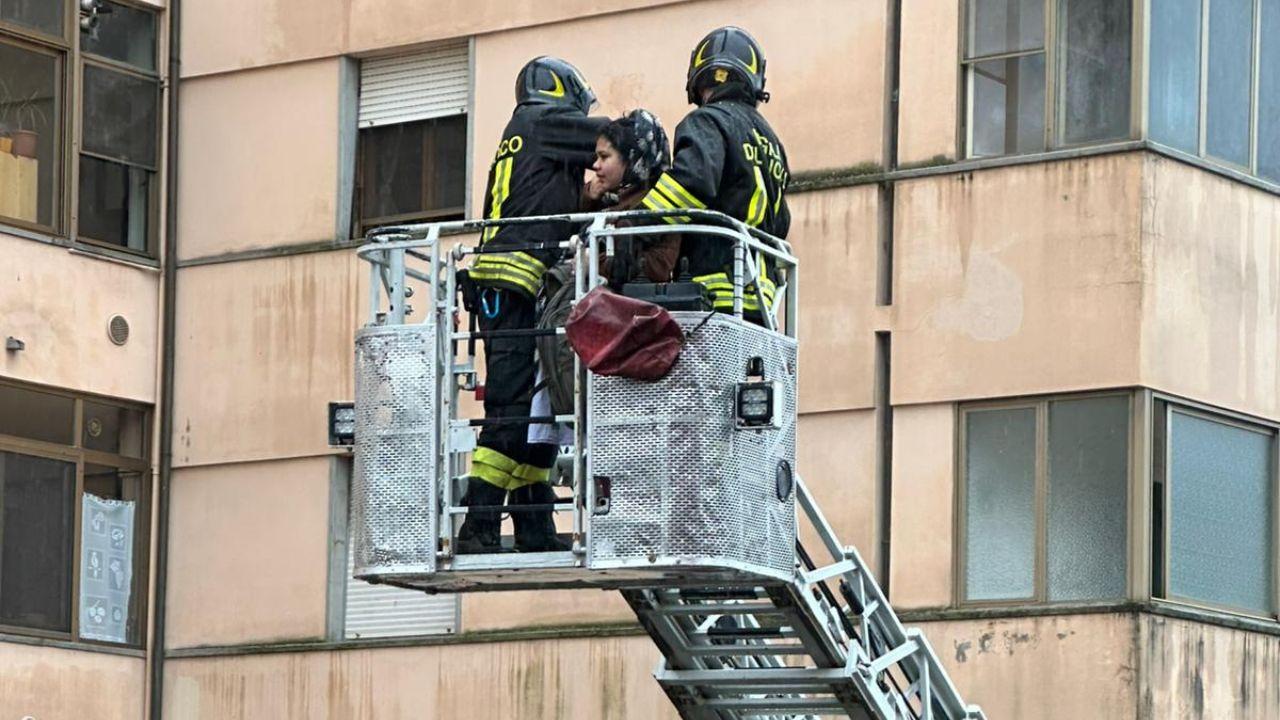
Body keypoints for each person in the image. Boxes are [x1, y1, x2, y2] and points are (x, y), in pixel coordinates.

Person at [458, 57, 605, 554]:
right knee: (511, 408)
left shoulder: (526, 134)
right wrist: (642, 138)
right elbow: (608, 139)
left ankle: (533, 523)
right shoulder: (541, 122)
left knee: (536, 412)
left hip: (517, 290)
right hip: (511, 287)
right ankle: (477, 526)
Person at [528, 110, 673, 447]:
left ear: (634, 160)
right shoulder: (611, 205)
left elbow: (656, 268)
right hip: (599, 349)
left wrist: (596, 264)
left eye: (605, 157)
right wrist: (588, 203)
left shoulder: (654, 210)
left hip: (624, 351)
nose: (595, 166)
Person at [638, 26, 791, 320]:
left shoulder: (707, 120)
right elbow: (781, 220)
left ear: (699, 77)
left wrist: (638, 225)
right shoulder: (772, 141)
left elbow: (690, 184)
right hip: (761, 296)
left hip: (713, 286)